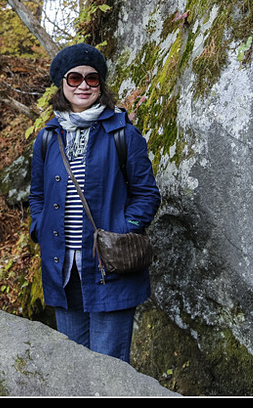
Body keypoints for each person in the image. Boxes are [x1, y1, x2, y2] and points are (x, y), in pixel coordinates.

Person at [29, 42, 161, 363]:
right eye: (74, 78)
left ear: (101, 84)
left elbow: (147, 195)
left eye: (92, 78)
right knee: (73, 368)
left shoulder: (123, 134)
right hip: (63, 270)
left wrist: (122, 228)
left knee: (110, 368)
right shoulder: (48, 137)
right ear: (62, 84)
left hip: (110, 269)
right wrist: (40, 229)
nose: (84, 85)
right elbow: (37, 196)